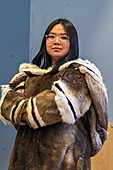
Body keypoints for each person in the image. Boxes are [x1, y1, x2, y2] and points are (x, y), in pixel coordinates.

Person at [0, 18, 108, 170]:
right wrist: (31, 110)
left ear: (73, 42)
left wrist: (24, 110)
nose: (56, 41)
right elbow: (6, 104)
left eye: (64, 37)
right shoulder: (27, 77)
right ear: (45, 40)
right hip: (23, 162)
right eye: (51, 36)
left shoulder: (79, 76)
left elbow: (58, 106)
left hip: (66, 163)